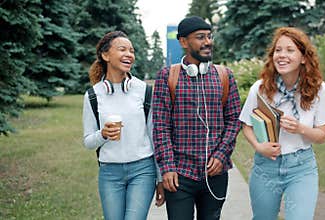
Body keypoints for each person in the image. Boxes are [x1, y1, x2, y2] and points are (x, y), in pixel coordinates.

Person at [239, 27, 325, 220]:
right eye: (278, 50)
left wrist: (300, 128)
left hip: (301, 168)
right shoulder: (260, 88)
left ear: (303, 57)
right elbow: (247, 125)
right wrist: (259, 147)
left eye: (289, 50)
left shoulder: (318, 89)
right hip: (265, 167)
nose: (282, 55)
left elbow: (322, 136)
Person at [152, 16, 241, 220]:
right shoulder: (167, 76)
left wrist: (221, 155)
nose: (208, 42)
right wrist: (167, 167)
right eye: (200, 37)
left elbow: (234, 119)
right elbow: (160, 126)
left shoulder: (225, 75)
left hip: (215, 174)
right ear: (183, 42)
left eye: (209, 37)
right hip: (179, 175)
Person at [82, 31, 164, 220]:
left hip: (142, 170)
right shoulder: (93, 96)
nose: (129, 54)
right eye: (122, 49)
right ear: (106, 55)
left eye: (132, 51)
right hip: (109, 172)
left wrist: (160, 178)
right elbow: (88, 141)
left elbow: (154, 136)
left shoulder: (144, 91)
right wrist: (102, 134)